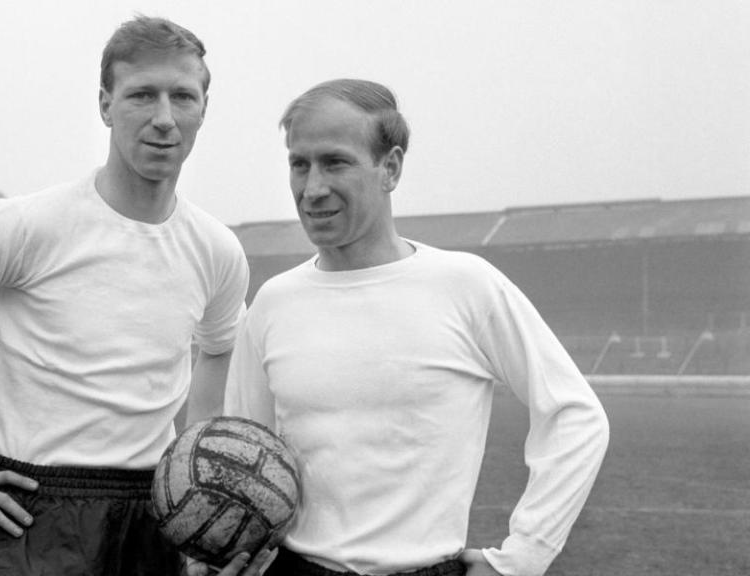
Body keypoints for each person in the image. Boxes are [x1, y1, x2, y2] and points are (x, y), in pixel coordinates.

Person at [0, 16, 271, 576]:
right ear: (106, 105)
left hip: (152, 523)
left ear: (204, 108)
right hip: (27, 517)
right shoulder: (29, 226)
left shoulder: (216, 250)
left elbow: (221, 345)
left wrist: (198, 479)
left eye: (182, 96)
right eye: (141, 96)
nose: (163, 118)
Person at [224, 79, 610, 576]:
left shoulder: (465, 286)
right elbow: (241, 455)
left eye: (335, 162)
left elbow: (576, 417)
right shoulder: (273, 303)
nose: (312, 188)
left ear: (391, 167)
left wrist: (522, 559)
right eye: (300, 164)